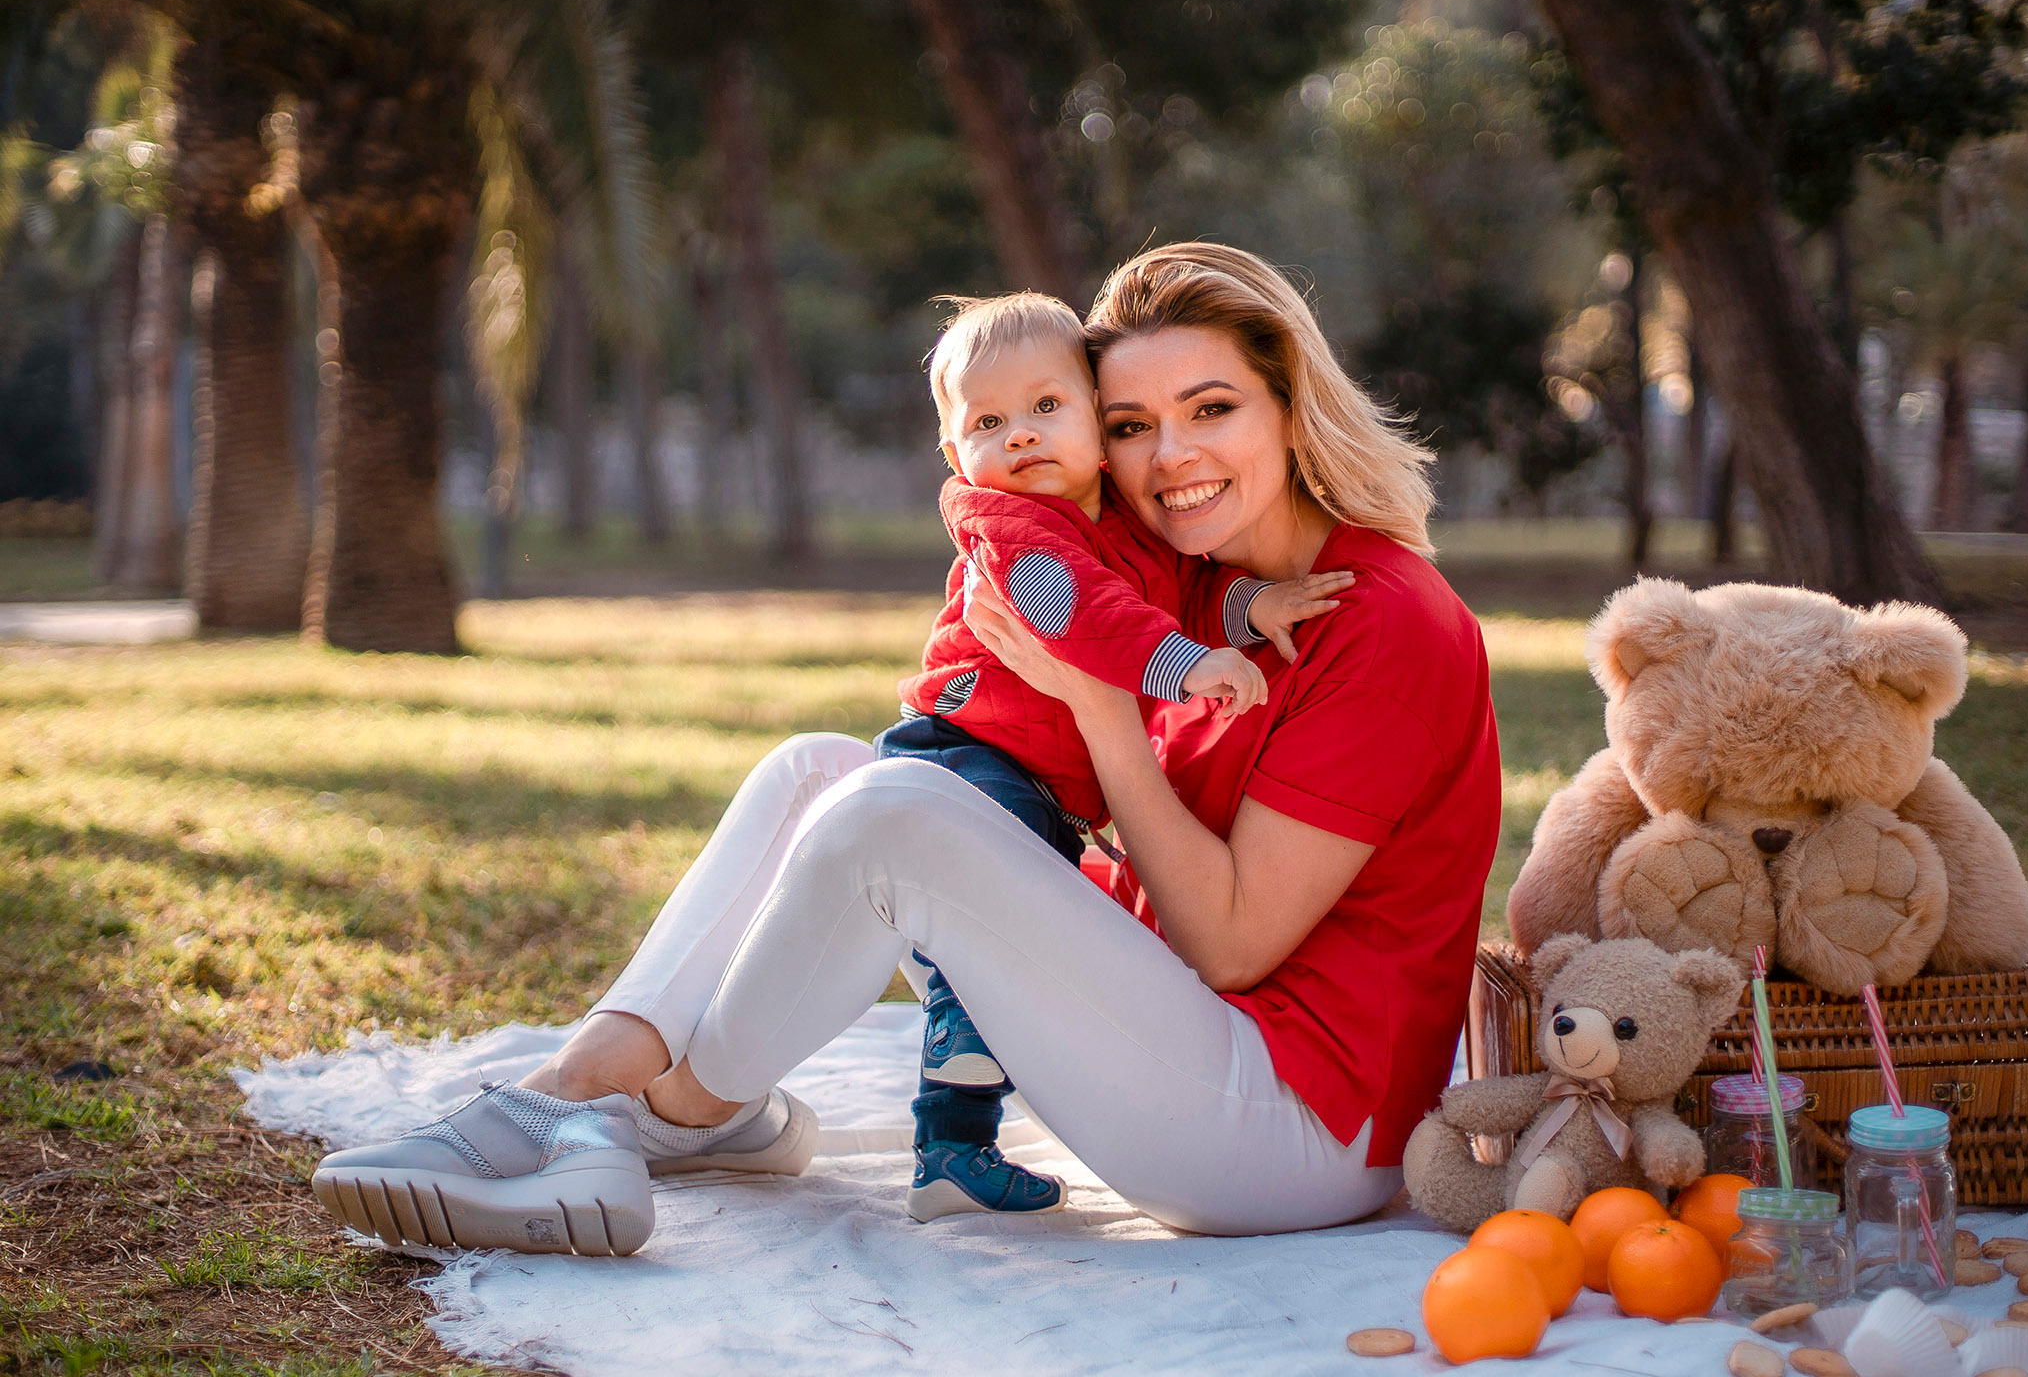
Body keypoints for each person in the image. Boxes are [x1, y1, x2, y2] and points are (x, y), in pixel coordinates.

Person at [309, 242, 1501, 1256]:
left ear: (1292, 404)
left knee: (891, 817)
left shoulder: (1383, 622)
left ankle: (638, 1107)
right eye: (1129, 424)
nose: (1168, 457)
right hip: (1176, 1040)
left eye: (1213, 408)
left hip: (1293, 1129)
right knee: (827, 769)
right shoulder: (1200, 588)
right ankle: (622, 1090)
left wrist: (1093, 705)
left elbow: (1234, 945)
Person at [875, 290, 1347, 1221]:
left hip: (1045, 784)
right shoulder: (1010, 528)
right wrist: (1190, 667)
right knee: (999, 921)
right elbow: (1076, 619)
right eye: (987, 422)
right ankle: (964, 1044)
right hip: (967, 755)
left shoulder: (1132, 531)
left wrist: (1251, 613)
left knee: (1010, 927)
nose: (1018, 437)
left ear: (1099, 422)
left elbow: (1174, 596)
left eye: (1046, 407)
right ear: (954, 454)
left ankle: (951, 1152)